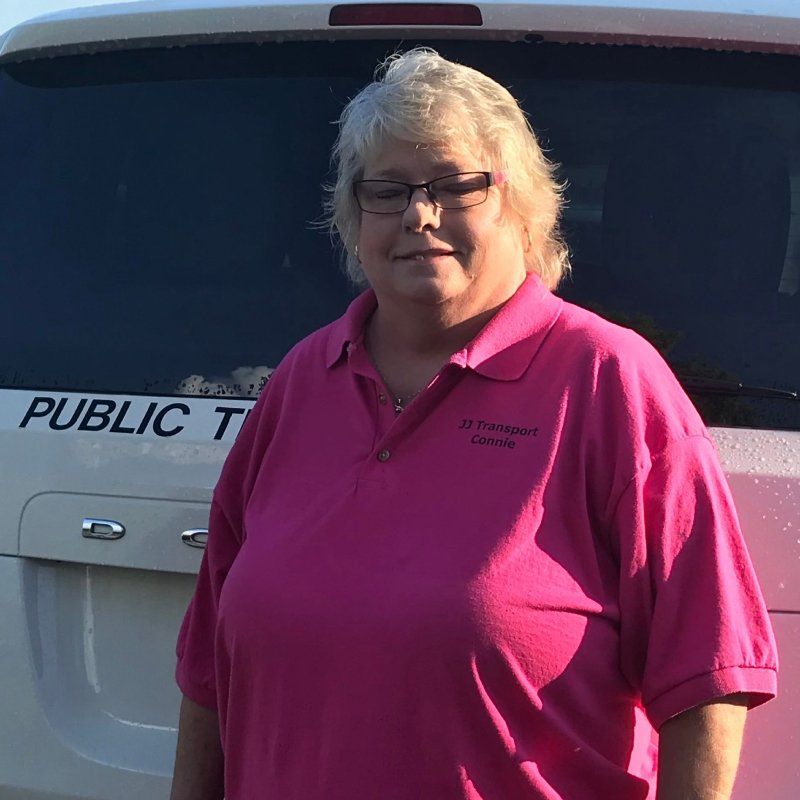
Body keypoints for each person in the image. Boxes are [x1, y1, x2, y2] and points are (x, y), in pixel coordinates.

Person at [170, 48, 778, 800]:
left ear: (520, 206)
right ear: (354, 218)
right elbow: (208, 672)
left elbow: (708, 675)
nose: (418, 215)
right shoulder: (301, 381)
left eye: (456, 186)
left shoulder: (607, 378)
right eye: (387, 191)